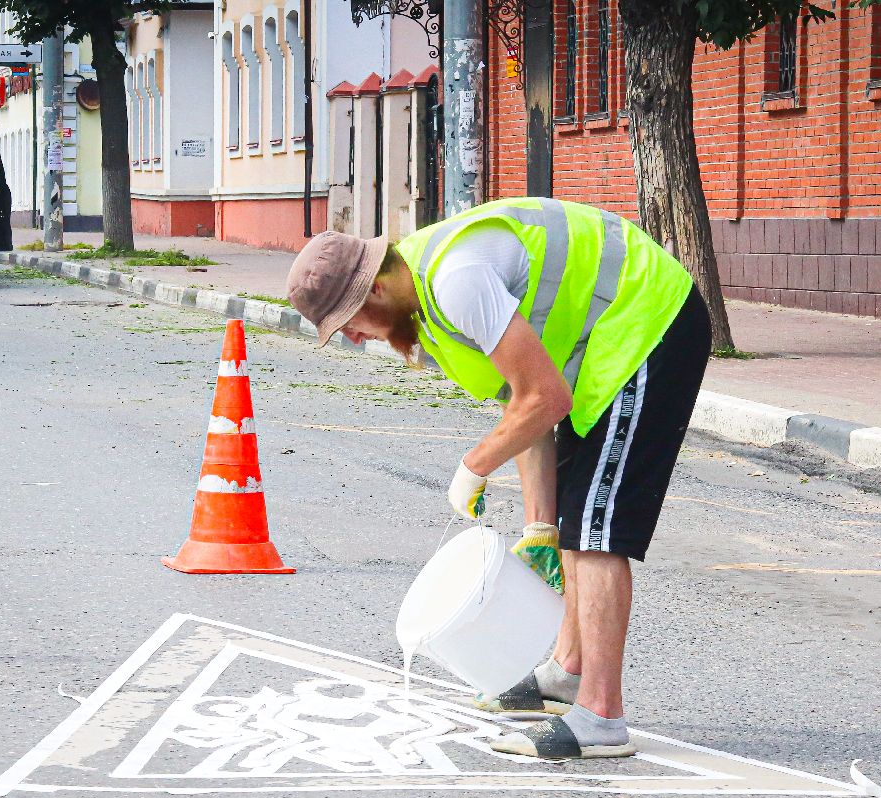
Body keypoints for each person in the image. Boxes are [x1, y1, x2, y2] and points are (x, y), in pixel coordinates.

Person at [286, 198, 710, 760]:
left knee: (597, 528)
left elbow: (545, 398)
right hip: (602, 352)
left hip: (648, 324)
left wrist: (474, 466)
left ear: (376, 292)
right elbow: (522, 400)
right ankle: (567, 672)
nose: (356, 338)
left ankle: (601, 716)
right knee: (572, 521)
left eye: (349, 323)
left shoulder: (457, 280)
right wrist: (539, 526)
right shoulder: (426, 306)